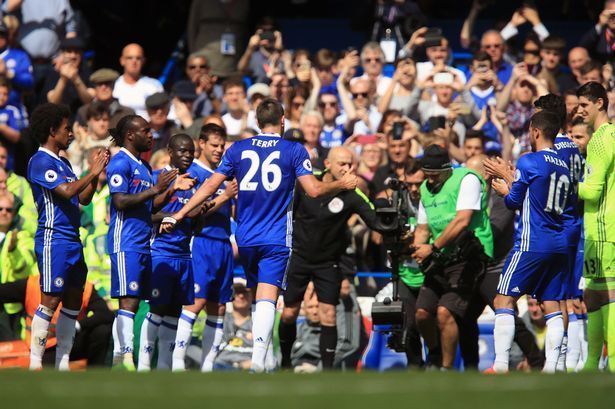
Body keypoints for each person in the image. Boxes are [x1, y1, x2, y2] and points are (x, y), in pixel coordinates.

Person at [160, 98, 358, 372]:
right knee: (267, 297)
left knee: (257, 296)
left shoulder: (238, 148)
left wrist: (180, 214)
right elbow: (313, 190)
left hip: (245, 237)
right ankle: (257, 363)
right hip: (275, 237)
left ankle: (257, 361)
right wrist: (341, 183)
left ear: (256, 121)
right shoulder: (294, 149)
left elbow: (209, 187)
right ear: (283, 120)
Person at [279, 146, 382, 370]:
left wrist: (390, 217)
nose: (348, 169)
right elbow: (286, 214)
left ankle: (327, 370)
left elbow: (375, 220)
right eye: (342, 164)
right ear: (327, 164)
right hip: (299, 257)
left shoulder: (352, 194)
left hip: (328, 262)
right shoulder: (305, 183)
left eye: (351, 164)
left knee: (329, 316)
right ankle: (285, 362)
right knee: (289, 313)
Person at [485, 110, 571, 373]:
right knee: (553, 305)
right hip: (559, 243)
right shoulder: (565, 164)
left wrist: (505, 183)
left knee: (503, 300)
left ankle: (500, 366)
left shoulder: (529, 161)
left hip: (532, 242)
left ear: (535, 131)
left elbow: (513, 202)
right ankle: (553, 368)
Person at [26, 103, 109, 370]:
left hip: (73, 240)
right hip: (53, 239)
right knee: (50, 299)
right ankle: (35, 363)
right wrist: (92, 172)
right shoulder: (39, 161)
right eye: (66, 128)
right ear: (52, 131)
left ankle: (63, 363)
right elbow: (66, 191)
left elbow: (84, 197)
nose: (71, 134)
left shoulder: (63, 162)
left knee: (73, 300)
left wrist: (97, 173)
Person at [105, 114, 188, 370]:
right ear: (130, 135)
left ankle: (120, 355)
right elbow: (120, 201)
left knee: (135, 300)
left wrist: (171, 196)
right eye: (145, 131)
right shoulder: (120, 163)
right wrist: (155, 189)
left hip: (142, 242)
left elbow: (149, 206)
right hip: (125, 241)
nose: (151, 135)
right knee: (128, 299)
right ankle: (126, 356)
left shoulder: (143, 166)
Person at [411, 144, 493, 369]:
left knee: (445, 313)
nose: (430, 179)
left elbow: (462, 220)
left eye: (434, 175)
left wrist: (432, 248)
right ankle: (435, 356)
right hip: (441, 257)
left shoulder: (467, 179)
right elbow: (422, 228)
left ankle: (446, 369)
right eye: (426, 174)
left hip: (469, 256)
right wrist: (418, 248)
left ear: (447, 169)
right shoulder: (426, 189)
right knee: (421, 313)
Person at [172, 124, 238, 372]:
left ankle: (207, 366)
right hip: (201, 242)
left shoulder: (225, 175)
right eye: (214, 145)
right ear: (201, 144)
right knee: (196, 302)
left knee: (219, 307)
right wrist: (224, 197)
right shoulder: (195, 173)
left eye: (222, 146)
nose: (219, 150)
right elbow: (193, 212)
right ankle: (177, 361)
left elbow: (231, 213)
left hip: (223, 244)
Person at [138, 134, 198, 371]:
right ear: (170, 152)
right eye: (182, 151)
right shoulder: (157, 178)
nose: (187, 155)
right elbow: (146, 214)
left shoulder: (195, 183)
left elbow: (196, 219)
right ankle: (143, 364)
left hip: (184, 256)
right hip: (161, 254)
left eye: (191, 151)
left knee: (174, 312)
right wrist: (170, 212)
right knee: (157, 309)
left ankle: (165, 368)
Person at [575, 82, 615, 372]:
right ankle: (593, 364)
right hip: (602, 228)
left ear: (600, 103)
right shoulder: (611, 135)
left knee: (609, 295)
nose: (579, 110)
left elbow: (590, 192)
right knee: (594, 295)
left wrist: (563, 182)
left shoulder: (601, 140)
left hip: (603, 228)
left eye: (584, 105)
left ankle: (607, 363)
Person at [0, 273, 115, 367]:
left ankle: (95, 377)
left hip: (72, 341)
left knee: (102, 330)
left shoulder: (82, 286)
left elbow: (106, 314)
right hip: (46, 346)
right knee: (46, 379)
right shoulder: (32, 284)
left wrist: (77, 325)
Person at [113, 44, 164, 119]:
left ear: (143, 61)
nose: (134, 61)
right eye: (129, 58)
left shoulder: (154, 85)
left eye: (138, 58)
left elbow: (166, 112)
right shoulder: (113, 86)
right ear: (122, 61)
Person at [212, 281, 253, 370]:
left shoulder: (258, 323)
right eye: (237, 293)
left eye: (245, 293)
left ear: (251, 296)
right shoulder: (221, 319)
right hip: (220, 365)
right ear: (231, 297)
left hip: (247, 367)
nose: (241, 296)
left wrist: (241, 366)